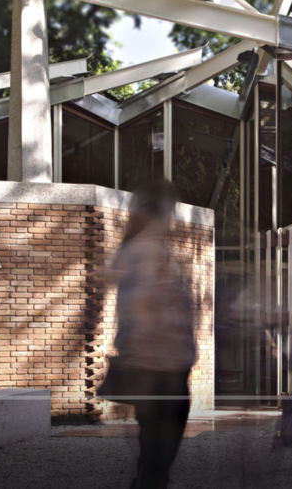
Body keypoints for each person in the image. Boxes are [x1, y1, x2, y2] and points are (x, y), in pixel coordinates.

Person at [97, 181, 195, 489]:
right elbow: (132, 300)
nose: (172, 217)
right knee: (157, 456)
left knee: (155, 454)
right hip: (155, 368)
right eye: (170, 210)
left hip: (170, 366)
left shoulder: (151, 249)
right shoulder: (140, 250)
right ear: (161, 211)